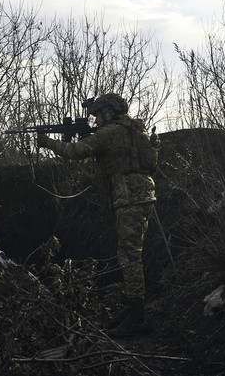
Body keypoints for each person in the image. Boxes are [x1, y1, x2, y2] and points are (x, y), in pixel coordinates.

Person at [38, 93, 156, 337]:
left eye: (99, 115)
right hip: (143, 195)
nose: (97, 121)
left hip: (129, 199)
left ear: (110, 112)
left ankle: (138, 320)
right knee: (132, 254)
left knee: (130, 257)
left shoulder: (111, 131)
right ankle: (134, 309)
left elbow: (75, 152)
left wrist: (47, 142)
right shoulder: (135, 129)